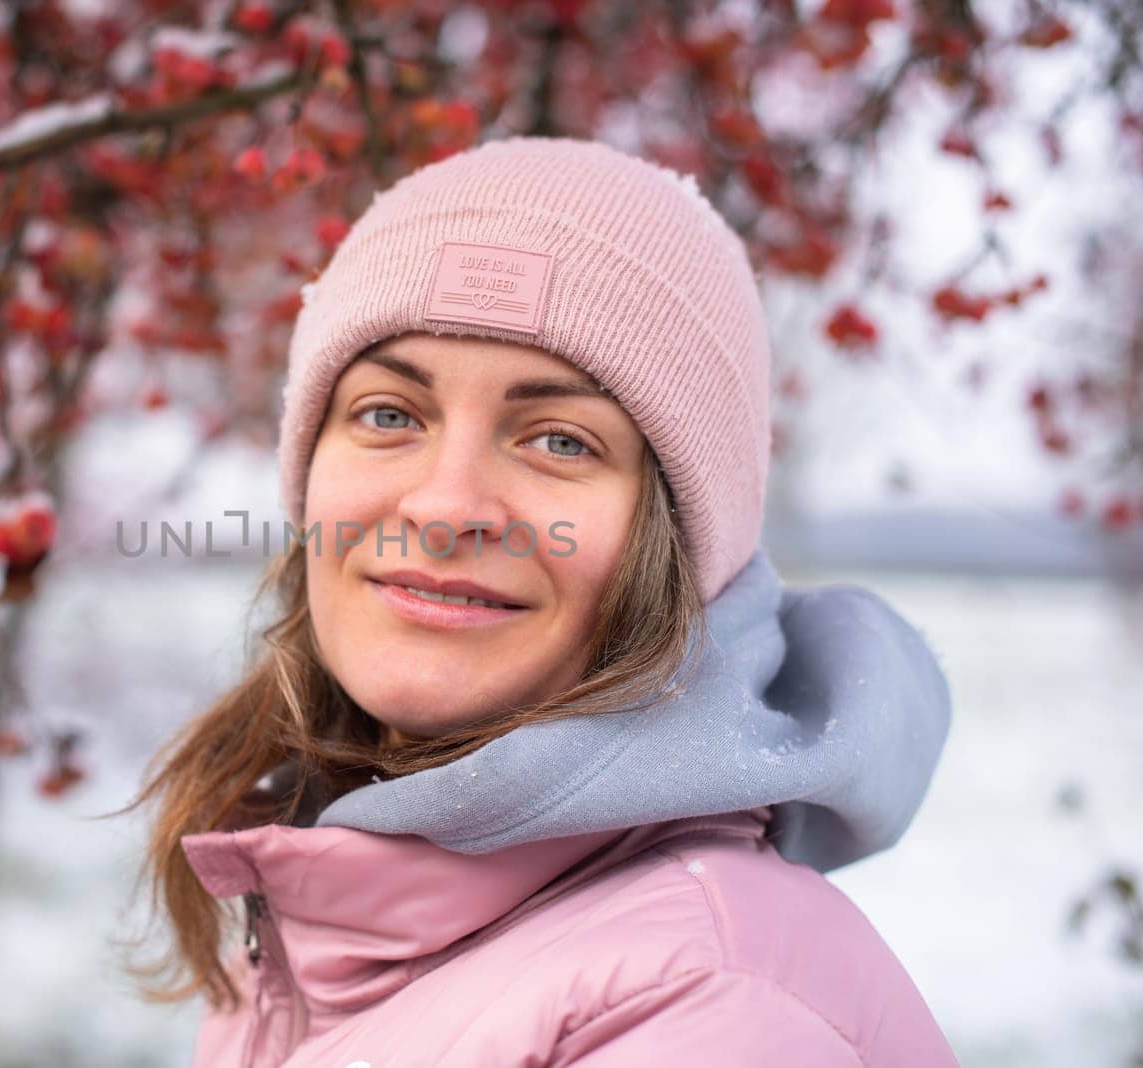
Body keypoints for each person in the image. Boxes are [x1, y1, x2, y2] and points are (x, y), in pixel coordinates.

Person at [120, 136, 958, 1067]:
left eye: (559, 440)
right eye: (390, 415)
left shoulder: (710, 1006)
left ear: (677, 539)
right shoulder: (319, 906)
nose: (443, 508)